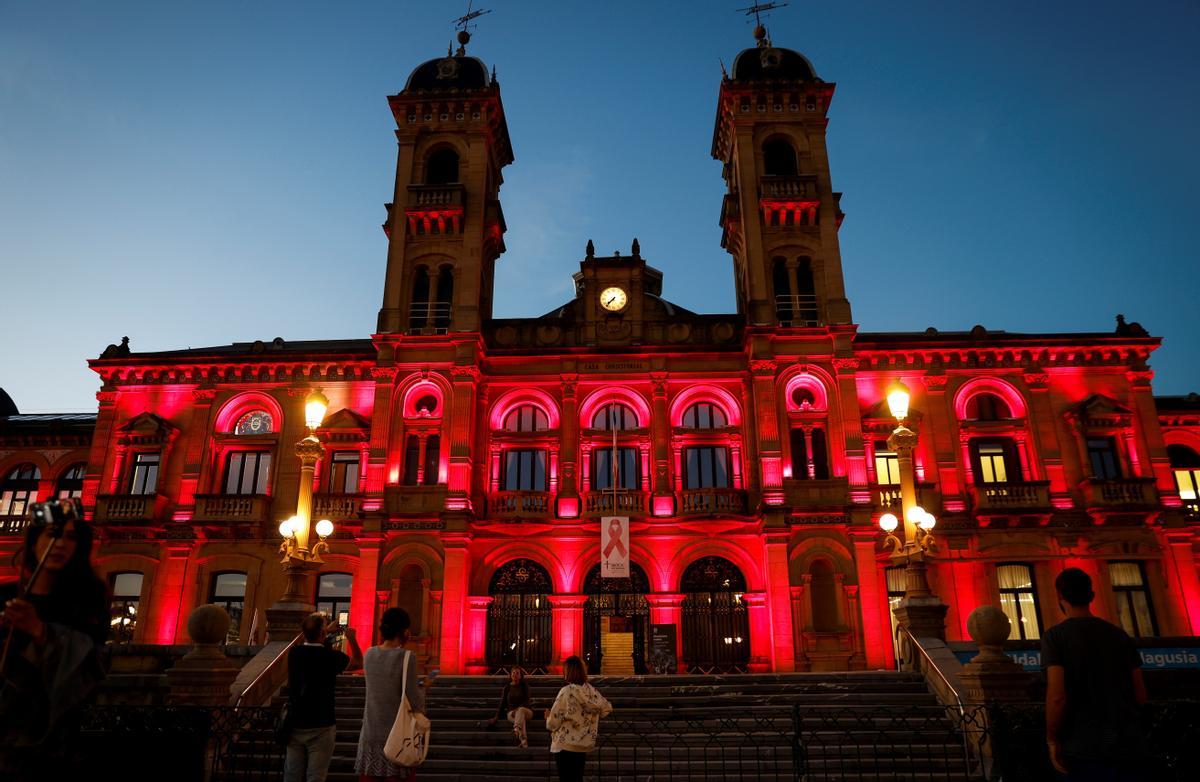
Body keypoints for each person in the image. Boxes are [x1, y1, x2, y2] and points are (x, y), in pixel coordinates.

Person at [0, 504, 108, 780]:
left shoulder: (88, 604)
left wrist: (39, 631)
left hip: (52, 745)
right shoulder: (7, 597)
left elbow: (89, 669)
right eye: (52, 533)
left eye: (70, 537)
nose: (60, 544)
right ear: (35, 539)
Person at [1042, 567, 1148, 781]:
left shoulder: (1055, 637)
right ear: (1091, 595)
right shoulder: (1120, 636)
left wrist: (1052, 739)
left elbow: (1057, 696)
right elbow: (1140, 694)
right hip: (1126, 742)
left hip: (1081, 745)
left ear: (1060, 596)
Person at [284, 612, 363, 782]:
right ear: (322, 634)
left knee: (292, 775)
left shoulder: (294, 654)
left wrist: (325, 631)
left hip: (295, 722)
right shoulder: (331, 657)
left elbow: (310, 645)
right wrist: (352, 639)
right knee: (316, 776)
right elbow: (357, 662)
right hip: (321, 723)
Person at [356, 607, 426, 782]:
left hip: (370, 734)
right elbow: (413, 700)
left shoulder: (369, 654)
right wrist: (423, 689)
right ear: (404, 630)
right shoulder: (407, 657)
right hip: (397, 737)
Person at [544, 655, 612, 782]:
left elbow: (554, 722)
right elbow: (606, 708)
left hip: (564, 744)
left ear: (568, 671)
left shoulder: (566, 691)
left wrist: (548, 717)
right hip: (582, 744)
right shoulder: (592, 691)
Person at [487, 667, 533, 747]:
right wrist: (496, 717)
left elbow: (527, 701)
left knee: (521, 711)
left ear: (521, 676)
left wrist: (518, 709)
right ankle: (523, 740)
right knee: (521, 719)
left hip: (526, 711)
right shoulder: (507, 688)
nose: (515, 674)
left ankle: (516, 728)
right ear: (510, 675)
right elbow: (503, 703)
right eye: (513, 673)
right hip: (511, 713)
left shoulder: (524, 686)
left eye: (517, 673)